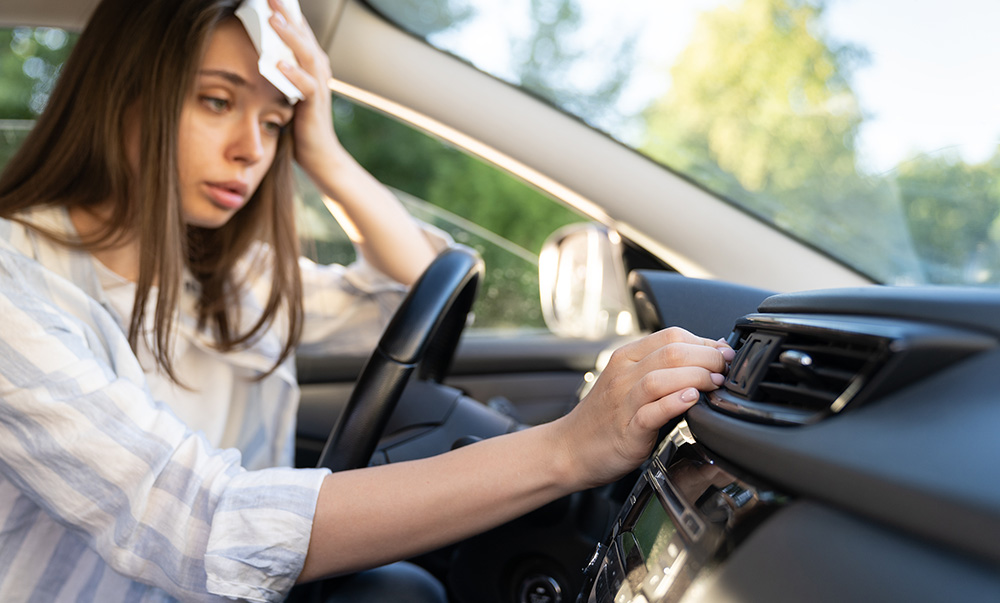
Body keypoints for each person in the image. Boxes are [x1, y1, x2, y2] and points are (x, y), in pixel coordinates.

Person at [0, 0, 735, 601]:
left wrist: (322, 148)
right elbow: (202, 521)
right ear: (120, 95)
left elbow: (419, 289)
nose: (250, 150)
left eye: (273, 122)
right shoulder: (14, 284)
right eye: (218, 101)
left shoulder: (230, 281)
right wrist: (568, 447)